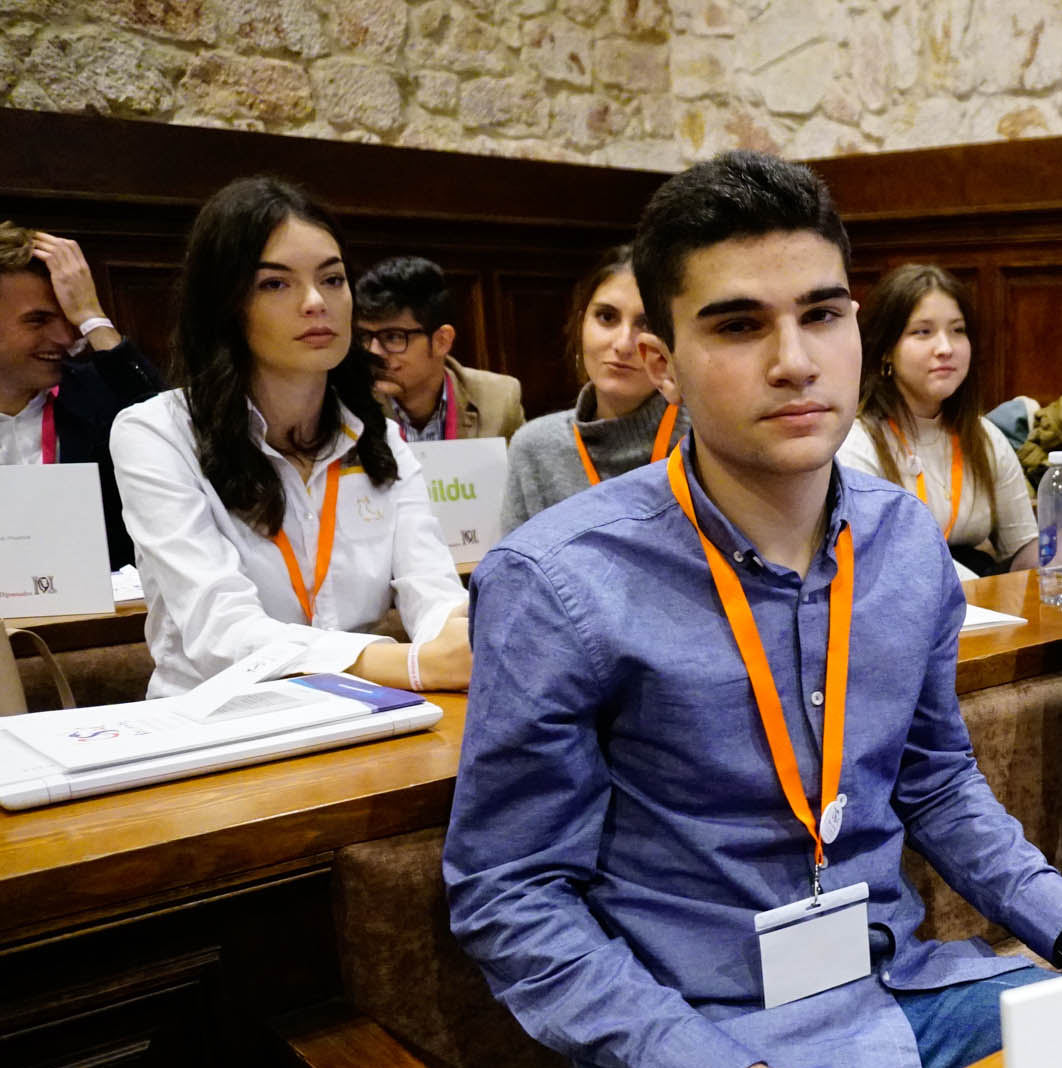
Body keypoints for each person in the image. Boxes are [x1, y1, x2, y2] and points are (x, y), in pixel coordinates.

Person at [445, 150, 1062, 1068]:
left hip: (902, 993)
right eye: (738, 326)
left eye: (821, 315)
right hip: (695, 1051)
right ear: (664, 361)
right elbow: (509, 894)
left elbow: (936, 785)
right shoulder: (560, 582)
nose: (794, 360)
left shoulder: (905, 544)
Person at [110, 177, 471, 698]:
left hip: (362, 715)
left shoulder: (380, 438)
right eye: (274, 284)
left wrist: (461, 631)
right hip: (218, 729)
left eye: (332, 279)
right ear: (226, 304)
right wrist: (411, 665)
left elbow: (431, 592)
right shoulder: (156, 434)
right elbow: (222, 633)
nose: (314, 302)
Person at [834, 264, 1036, 578]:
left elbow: (1024, 548)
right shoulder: (855, 444)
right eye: (923, 332)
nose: (946, 348)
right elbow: (877, 563)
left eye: (957, 330)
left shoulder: (984, 435)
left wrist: (1061, 552)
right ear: (887, 351)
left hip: (984, 609)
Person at [0, 223, 161, 567]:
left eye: (68, 318)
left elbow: (182, 440)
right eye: (39, 320)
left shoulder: (102, 397)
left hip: (102, 617)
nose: (65, 337)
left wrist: (92, 316)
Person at [498, 245, 681, 533]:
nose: (622, 344)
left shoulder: (707, 438)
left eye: (647, 324)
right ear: (580, 323)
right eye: (607, 317)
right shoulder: (535, 447)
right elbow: (514, 574)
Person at [354, 254, 525, 442]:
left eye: (393, 337)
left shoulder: (499, 399)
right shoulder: (347, 404)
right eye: (365, 336)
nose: (373, 351)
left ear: (442, 341)